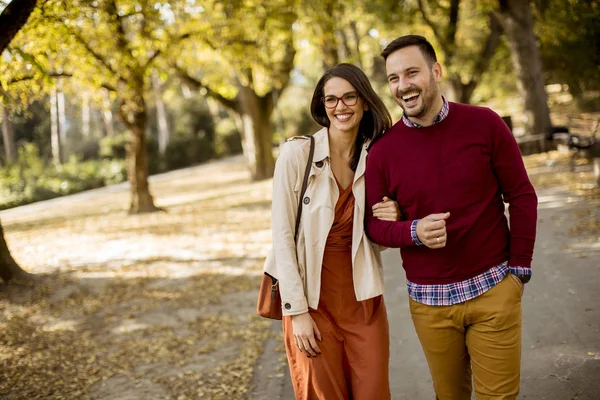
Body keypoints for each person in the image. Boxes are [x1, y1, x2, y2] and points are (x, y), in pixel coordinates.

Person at [365, 35, 538, 399]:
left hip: (493, 290)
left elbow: (521, 195)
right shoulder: (382, 152)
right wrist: (412, 231)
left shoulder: (485, 124)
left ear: (436, 71)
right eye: (394, 78)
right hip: (429, 306)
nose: (403, 85)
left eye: (412, 73)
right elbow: (374, 226)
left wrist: (518, 271)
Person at [267, 63, 396, 399]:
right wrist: (296, 312)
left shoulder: (378, 155)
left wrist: (393, 215)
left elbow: (382, 233)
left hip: (363, 303)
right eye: (331, 99)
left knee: (374, 392)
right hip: (311, 304)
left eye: (350, 97)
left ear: (365, 101)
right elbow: (281, 237)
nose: (341, 106)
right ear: (322, 105)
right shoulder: (297, 154)